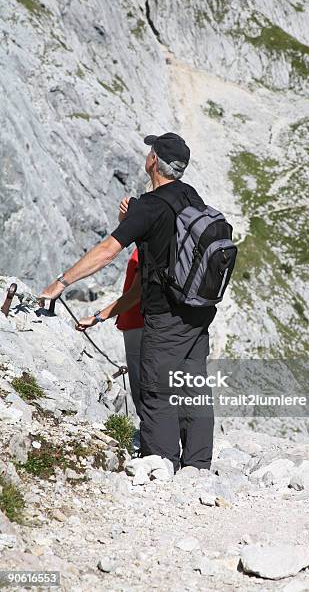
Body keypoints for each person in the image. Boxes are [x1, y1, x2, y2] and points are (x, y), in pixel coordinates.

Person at [39, 132, 217, 471]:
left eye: (151, 151)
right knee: (194, 387)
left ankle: (161, 467)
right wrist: (104, 313)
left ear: (153, 161)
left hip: (166, 317)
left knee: (156, 389)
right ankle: (197, 469)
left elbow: (107, 252)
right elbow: (154, 270)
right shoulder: (191, 197)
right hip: (198, 311)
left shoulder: (149, 207)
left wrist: (61, 282)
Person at [76, 199, 144, 419]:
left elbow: (135, 295)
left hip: (138, 323)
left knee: (142, 388)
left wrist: (97, 317)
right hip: (141, 323)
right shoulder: (155, 244)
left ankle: (154, 442)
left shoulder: (147, 250)